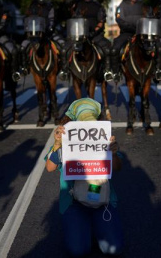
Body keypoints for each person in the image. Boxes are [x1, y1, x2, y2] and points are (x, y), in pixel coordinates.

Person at [45, 98, 124, 257]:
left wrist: (113, 153)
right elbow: (49, 167)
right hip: (74, 202)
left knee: (114, 249)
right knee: (78, 251)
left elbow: (117, 167)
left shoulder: (104, 138)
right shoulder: (66, 140)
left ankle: (93, 228)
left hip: (102, 200)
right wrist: (57, 143)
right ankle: (83, 227)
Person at [58, 0, 114, 82]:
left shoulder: (98, 6)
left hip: (94, 35)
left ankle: (107, 71)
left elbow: (101, 21)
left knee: (107, 49)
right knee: (64, 50)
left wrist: (94, 31)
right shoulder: (77, 5)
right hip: (77, 35)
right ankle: (65, 71)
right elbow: (67, 3)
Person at [112, 0, 161, 82]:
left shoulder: (144, 6)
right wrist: (130, 28)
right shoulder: (121, 6)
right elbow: (119, 19)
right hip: (127, 33)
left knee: (158, 47)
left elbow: (150, 18)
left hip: (143, 33)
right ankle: (116, 72)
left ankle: (157, 70)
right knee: (115, 48)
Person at [19, 0, 64, 79]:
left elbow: (51, 19)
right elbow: (26, 20)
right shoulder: (31, 8)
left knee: (62, 45)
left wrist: (50, 27)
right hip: (33, 35)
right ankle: (24, 67)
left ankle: (63, 68)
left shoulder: (49, 7)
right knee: (22, 47)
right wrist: (27, 29)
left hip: (48, 33)